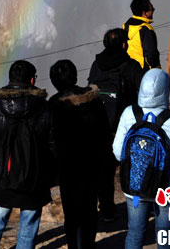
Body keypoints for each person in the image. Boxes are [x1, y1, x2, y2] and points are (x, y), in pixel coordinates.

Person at [0, 60, 55, 249]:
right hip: (35, 179)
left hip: (2, 178)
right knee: (28, 228)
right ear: (32, 80)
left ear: (9, 79)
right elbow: (53, 146)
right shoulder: (45, 108)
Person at [113, 69, 170, 249]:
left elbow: (117, 152)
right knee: (164, 235)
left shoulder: (129, 113)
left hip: (135, 186)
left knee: (135, 233)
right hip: (165, 187)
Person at [50, 59, 111, 249]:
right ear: (75, 76)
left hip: (68, 167)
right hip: (92, 164)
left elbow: (50, 139)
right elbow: (105, 132)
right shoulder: (94, 99)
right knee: (90, 210)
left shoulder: (54, 105)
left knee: (72, 213)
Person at [88, 27, 144, 223]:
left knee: (104, 170)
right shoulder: (131, 66)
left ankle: (107, 210)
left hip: (98, 124)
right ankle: (138, 208)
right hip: (125, 125)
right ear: (123, 44)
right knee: (132, 167)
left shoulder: (97, 64)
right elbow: (143, 92)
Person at [123, 0, 160, 71]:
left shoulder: (126, 25)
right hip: (143, 72)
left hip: (128, 70)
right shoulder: (146, 30)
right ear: (144, 13)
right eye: (152, 9)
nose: (153, 11)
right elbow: (151, 56)